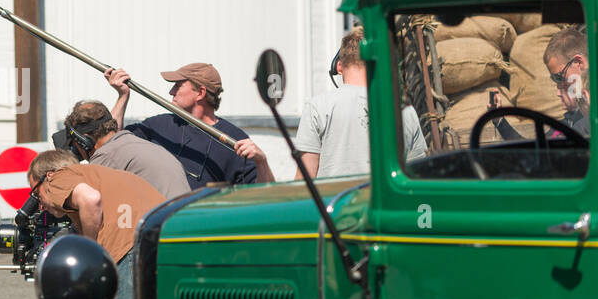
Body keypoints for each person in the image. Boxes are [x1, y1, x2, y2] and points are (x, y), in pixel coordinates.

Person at [27, 149, 166, 299]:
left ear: (48, 177)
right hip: (162, 238)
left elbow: (91, 199)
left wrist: (88, 250)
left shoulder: (59, 178)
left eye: (36, 193)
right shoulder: (99, 174)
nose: (40, 206)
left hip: (129, 244)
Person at [103, 62, 275, 189]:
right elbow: (111, 142)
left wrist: (262, 162)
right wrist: (122, 96)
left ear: (200, 92)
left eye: (178, 86)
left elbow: (265, 197)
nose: (171, 92)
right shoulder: (159, 125)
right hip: (156, 224)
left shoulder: (235, 139)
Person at [295, 26, 427, 178]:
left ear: (338, 66)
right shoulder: (405, 111)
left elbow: (304, 181)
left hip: (335, 201)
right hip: (386, 201)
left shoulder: (317, 107)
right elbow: (417, 176)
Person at [57, 100, 192, 199]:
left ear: (84, 141)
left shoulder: (107, 157)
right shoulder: (138, 145)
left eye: (75, 145)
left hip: (161, 230)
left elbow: (92, 204)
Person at [488, 26, 590, 140]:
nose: (558, 91)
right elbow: (535, 151)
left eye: (559, 77)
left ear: (579, 63)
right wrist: (500, 121)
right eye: (554, 79)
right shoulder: (572, 119)